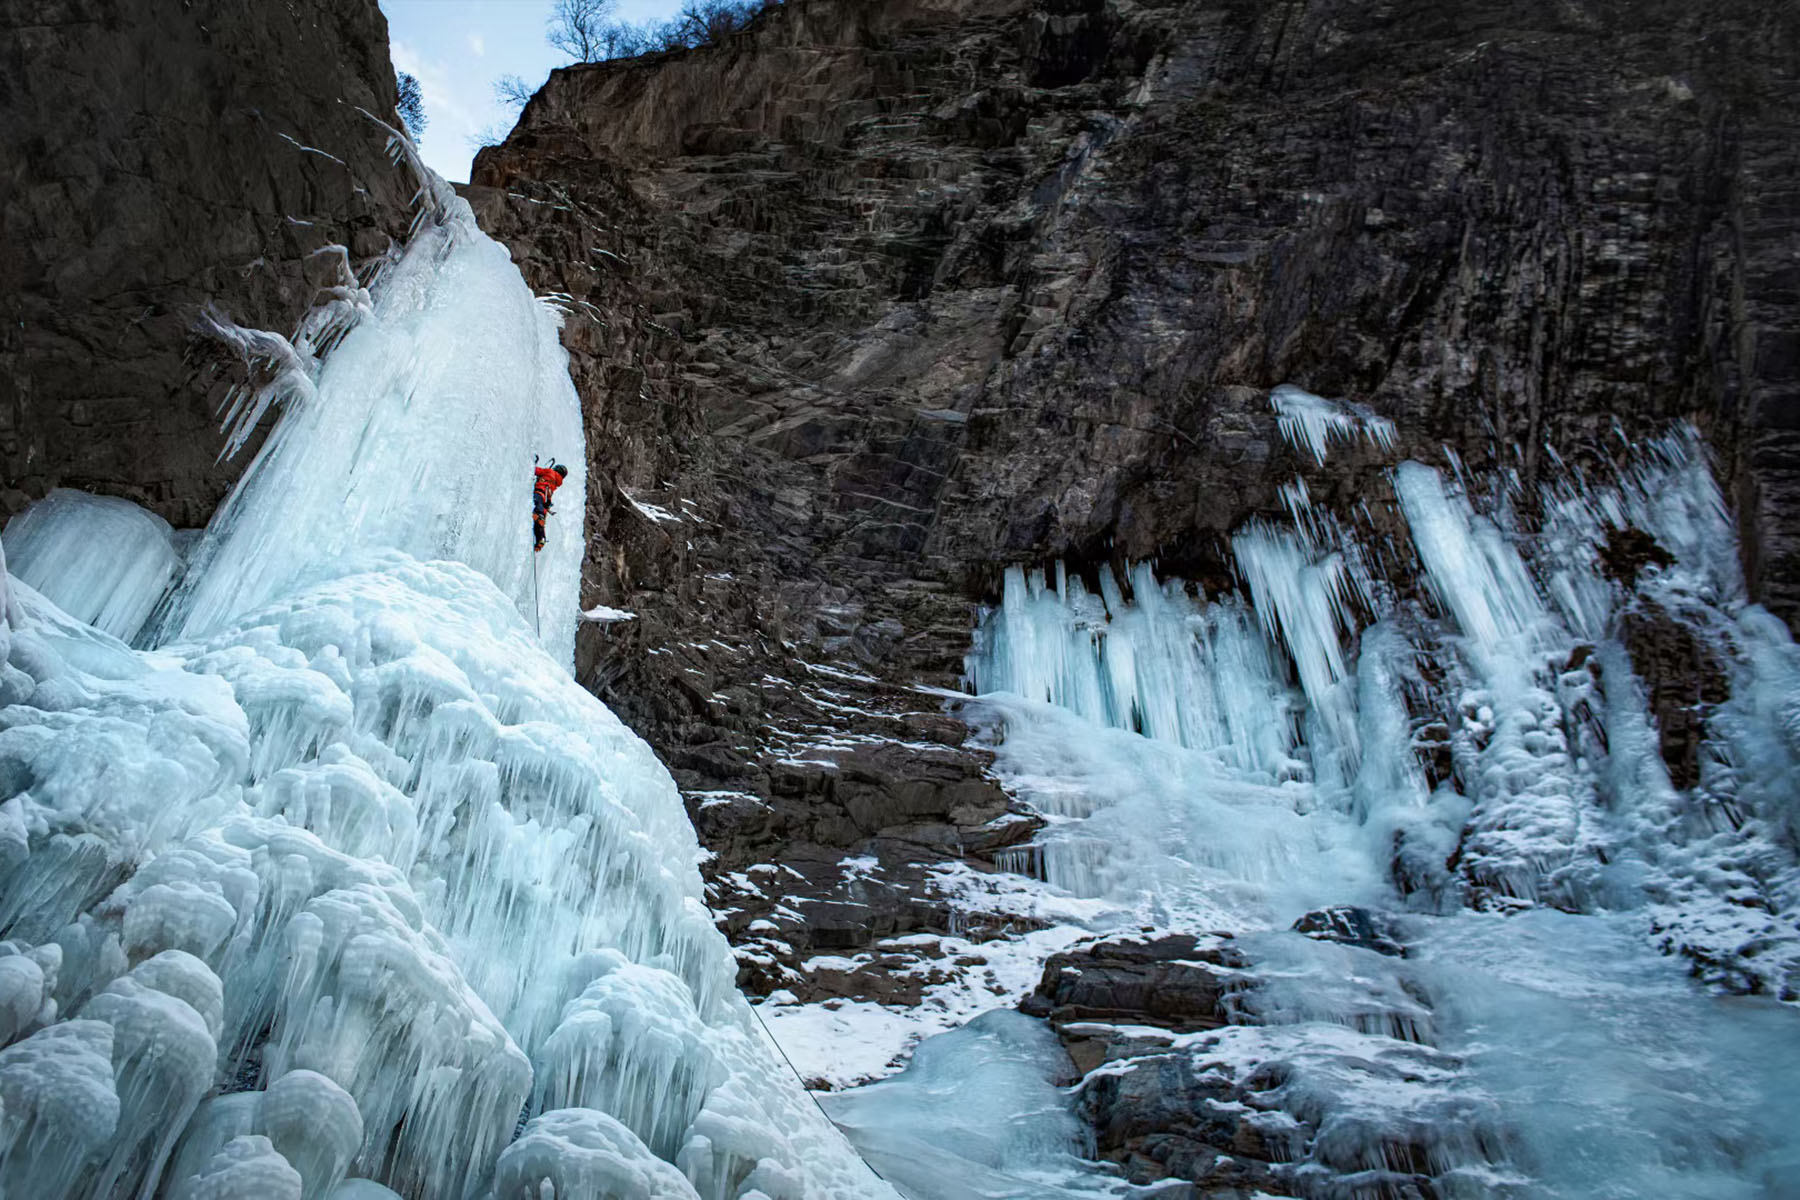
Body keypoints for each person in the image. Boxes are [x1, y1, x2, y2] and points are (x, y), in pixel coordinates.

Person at [533, 461, 568, 552]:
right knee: (539, 523)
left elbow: (535, 470)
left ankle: (539, 515)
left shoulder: (549, 472)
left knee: (536, 506)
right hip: (546, 501)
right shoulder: (556, 482)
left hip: (539, 493)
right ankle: (541, 538)